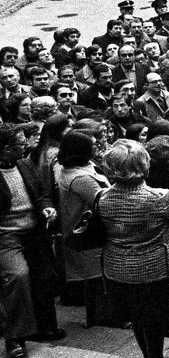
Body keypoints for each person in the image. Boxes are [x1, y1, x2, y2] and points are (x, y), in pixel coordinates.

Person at [97, 139, 169, 358]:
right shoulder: (160, 197)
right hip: (153, 266)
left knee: (136, 316)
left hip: (117, 267)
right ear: (144, 165)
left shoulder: (103, 198)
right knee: (154, 316)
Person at [0, 123, 62, 358]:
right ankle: (15, 338)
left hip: (34, 231)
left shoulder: (24, 164)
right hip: (6, 236)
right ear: (6, 149)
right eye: (20, 143)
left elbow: (41, 192)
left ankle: (44, 326)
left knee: (45, 274)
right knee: (18, 275)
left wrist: (47, 207)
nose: (26, 145)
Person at [54, 130, 107, 328]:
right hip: (89, 234)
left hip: (86, 232)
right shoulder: (80, 178)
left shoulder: (78, 168)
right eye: (93, 145)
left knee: (94, 278)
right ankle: (102, 318)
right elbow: (102, 201)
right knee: (96, 278)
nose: (97, 146)